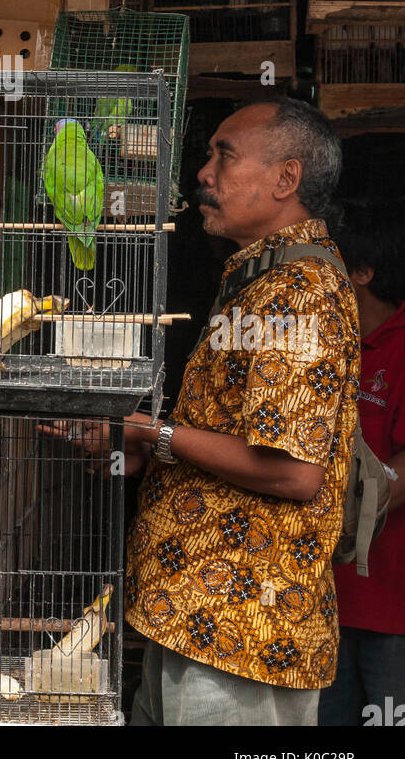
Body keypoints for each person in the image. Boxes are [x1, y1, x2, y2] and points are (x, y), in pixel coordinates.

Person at [45, 99, 360, 726]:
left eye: (225, 154)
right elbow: (230, 439)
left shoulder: (300, 295)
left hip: (241, 628)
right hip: (194, 613)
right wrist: (149, 447)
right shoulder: (259, 282)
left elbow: (295, 472)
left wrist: (154, 433)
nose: (204, 173)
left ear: (285, 179)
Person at [318, 200, 405, 726]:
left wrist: (341, 513)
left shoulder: (399, 347)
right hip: (323, 596)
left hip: (390, 598)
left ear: (363, 273)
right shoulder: (326, 344)